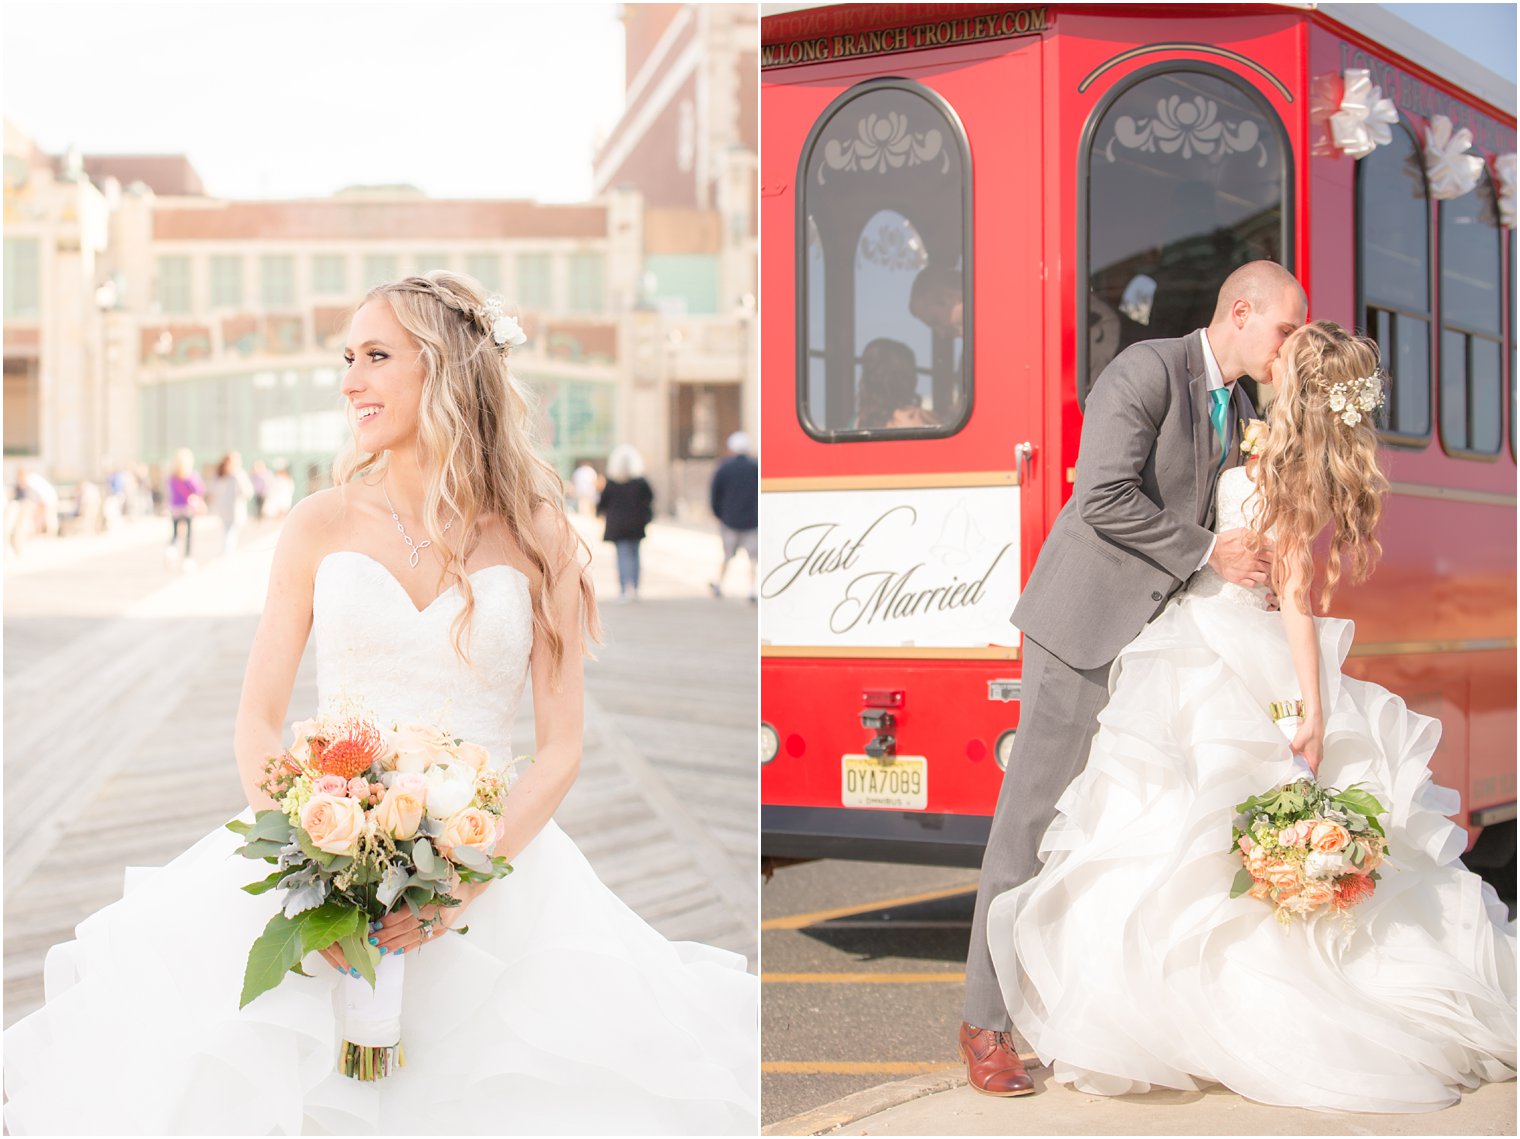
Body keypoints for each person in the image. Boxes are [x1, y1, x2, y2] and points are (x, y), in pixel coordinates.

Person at [3, 271, 758, 1134]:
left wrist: (464, 884)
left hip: (494, 875)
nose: (349, 380)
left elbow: (560, 748)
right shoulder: (318, 523)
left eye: (375, 356)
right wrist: (307, 870)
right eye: (346, 358)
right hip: (321, 867)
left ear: (443, 370)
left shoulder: (541, 535)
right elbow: (256, 720)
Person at [985, 321, 1516, 1111]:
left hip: (1223, 650)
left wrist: (1310, 704)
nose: (1273, 358)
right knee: (1174, 831)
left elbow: (1296, 596)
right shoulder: (1245, 431)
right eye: (1279, 340)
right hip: (1186, 637)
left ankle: (1209, 1015)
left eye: (1285, 357)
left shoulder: (1287, 466)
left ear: (1295, 382)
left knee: (1192, 830)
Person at [959, 260, 1306, 1096]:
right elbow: (1101, 495)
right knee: (1029, 826)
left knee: (1109, 832)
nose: (1289, 347)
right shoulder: (1147, 370)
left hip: (1156, 648)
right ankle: (983, 1023)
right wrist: (1207, 551)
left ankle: (1073, 1014)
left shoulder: (1243, 407)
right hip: (1082, 630)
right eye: (1286, 331)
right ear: (1242, 311)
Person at [597, 444, 654, 604]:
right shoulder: (641, 483)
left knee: (622, 556)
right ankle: (634, 588)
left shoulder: (612, 483)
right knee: (635, 555)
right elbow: (649, 500)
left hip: (618, 524)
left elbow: (602, 504)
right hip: (636, 523)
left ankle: (624, 589)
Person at [709, 431, 758, 602]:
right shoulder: (756, 467)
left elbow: (715, 494)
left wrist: (718, 514)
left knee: (727, 554)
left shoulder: (724, 468)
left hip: (730, 520)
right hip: (753, 520)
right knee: (753, 557)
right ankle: (752, 589)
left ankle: (719, 584)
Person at [166, 448, 206, 568]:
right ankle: (187, 559)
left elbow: (170, 491)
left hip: (175, 508)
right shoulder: (190, 475)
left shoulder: (172, 477)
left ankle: (171, 550)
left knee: (175, 532)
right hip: (188, 508)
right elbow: (200, 489)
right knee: (188, 534)